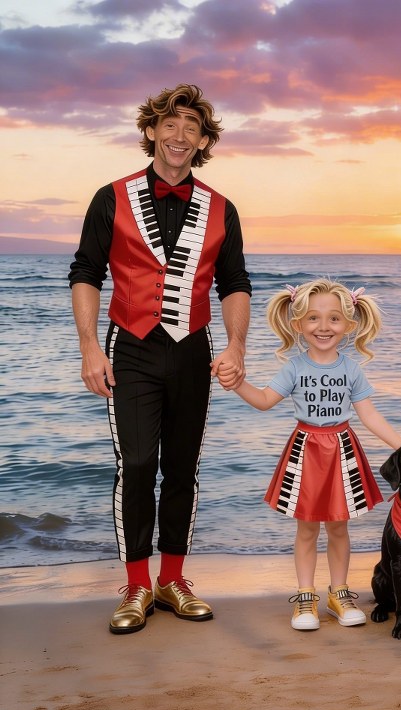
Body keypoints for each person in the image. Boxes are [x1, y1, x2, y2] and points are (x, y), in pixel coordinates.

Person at [69, 84, 252, 634]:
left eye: (191, 128)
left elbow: (234, 281)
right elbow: (86, 271)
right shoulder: (111, 197)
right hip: (132, 348)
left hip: (193, 349)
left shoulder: (221, 208)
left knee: (182, 466)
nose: (179, 136)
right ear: (151, 132)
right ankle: (135, 587)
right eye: (169, 126)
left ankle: (172, 581)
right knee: (139, 464)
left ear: (203, 141)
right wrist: (88, 347)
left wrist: (236, 345)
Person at [219, 279, 401, 631]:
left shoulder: (351, 368)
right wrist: (236, 382)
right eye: (314, 319)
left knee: (338, 527)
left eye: (334, 319)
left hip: (342, 450)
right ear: (297, 324)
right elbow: (263, 401)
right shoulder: (294, 367)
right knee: (306, 530)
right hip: (305, 450)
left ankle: (339, 594)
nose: (323, 327)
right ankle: (306, 598)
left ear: (349, 326)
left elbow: (369, 415)